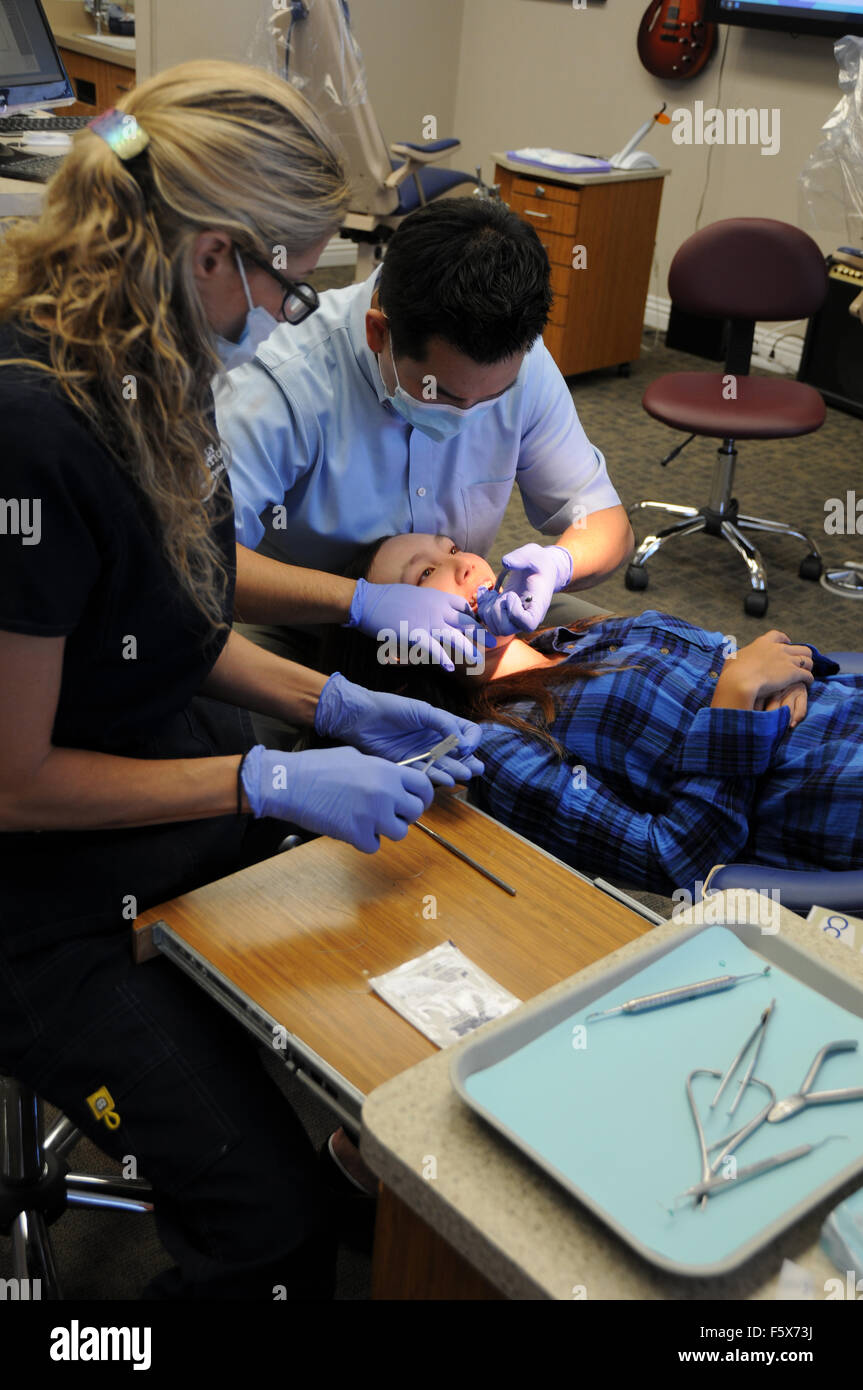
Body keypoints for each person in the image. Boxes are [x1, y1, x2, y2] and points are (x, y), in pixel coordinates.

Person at [0, 62, 483, 1301]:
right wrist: (263, 772)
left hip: (143, 747)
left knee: (404, 974)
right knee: (268, 1233)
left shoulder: (152, 363)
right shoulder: (33, 432)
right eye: (293, 278)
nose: (294, 309)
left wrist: (330, 699)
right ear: (215, 253)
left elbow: (169, 613)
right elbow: (18, 781)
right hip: (37, 876)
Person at [214, 196, 634, 700]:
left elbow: (606, 523)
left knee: (628, 663)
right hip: (301, 623)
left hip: (472, 620)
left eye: (492, 397)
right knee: (270, 749)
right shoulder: (280, 387)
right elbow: (201, 565)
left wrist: (559, 565)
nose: (469, 415)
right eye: (448, 396)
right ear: (378, 333)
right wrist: (359, 603)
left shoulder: (519, 358)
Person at [316, 532, 862, 901]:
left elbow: (749, 656)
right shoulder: (500, 745)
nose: (466, 563)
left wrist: (789, 670)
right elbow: (672, 863)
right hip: (835, 787)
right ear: (395, 647)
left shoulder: (584, 631)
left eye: (454, 547)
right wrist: (735, 704)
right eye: (428, 572)